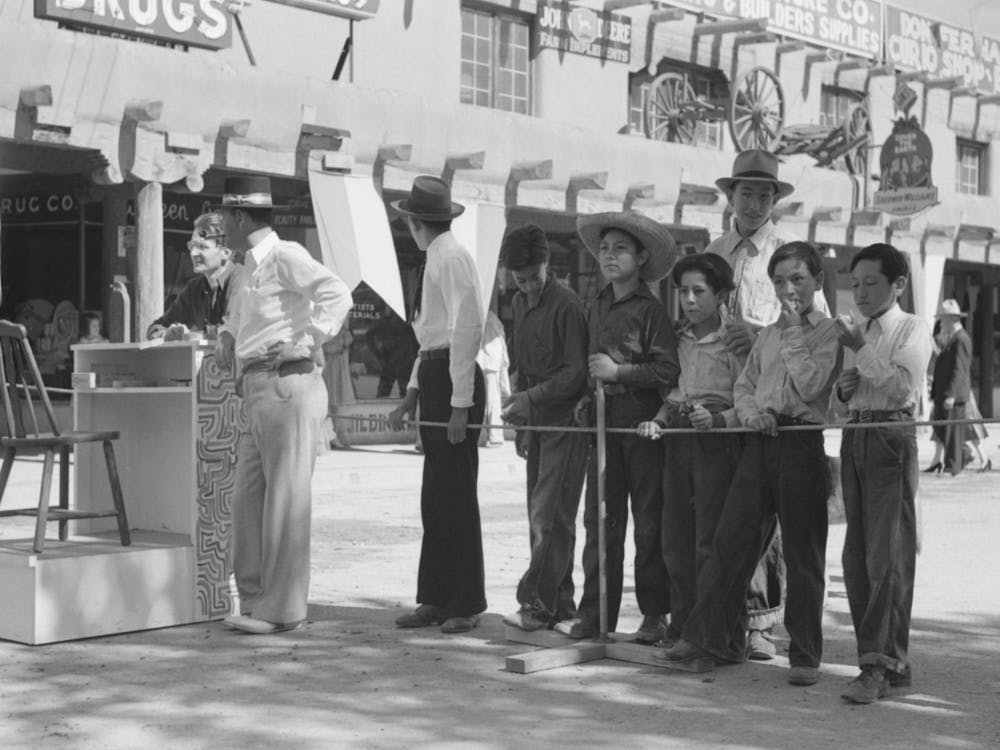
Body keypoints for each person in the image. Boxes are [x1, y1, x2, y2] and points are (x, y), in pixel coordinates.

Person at [663, 241, 840, 689]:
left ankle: (804, 655)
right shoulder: (768, 336)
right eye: (779, 281)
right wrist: (752, 412)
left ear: (818, 281)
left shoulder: (828, 332)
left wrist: (796, 327)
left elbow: (811, 383)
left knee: (804, 555)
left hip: (801, 443)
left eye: (798, 279)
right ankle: (705, 637)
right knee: (730, 541)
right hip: (760, 440)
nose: (788, 290)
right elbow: (745, 384)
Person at [214, 175, 353, 635]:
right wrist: (228, 336)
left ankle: (283, 608)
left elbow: (337, 292)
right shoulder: (247, 267)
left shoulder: (284, 255)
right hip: (257, 388)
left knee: (285, 501)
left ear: (238, 216)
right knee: (248, 499)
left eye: (224, 218)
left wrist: (307, 339)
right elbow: (241, 315)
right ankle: (255, 598)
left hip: (286, 385)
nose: (220, 227)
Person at [706, 149, 831, 660]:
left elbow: (808, 330)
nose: (754, 202)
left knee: (782, 529)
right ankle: (722, 629)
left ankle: (762, 623)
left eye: (764, 194)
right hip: (725, 399)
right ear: (730, 196)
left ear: (775, 200)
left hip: (782, 405)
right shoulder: (715, 250)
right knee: (728, 522)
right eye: (745, 192)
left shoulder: (789, 254)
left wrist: (760, 337)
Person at [555, 210, 679, 644]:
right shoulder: (597, 305)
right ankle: (596, 614)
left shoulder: (652, 310)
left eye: (620, 249)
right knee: (600, 521)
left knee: (648, 524)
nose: (609, 256)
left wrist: (618, 372)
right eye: (604, 249)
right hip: (603, 429)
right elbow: (593, 367)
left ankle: (653, 615)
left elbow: (668, 370)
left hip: (642, 430)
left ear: (641, 257)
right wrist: (589, 397)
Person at [832, 242, 933, 704]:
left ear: (898, 284)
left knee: (887, 554)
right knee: (857, 556)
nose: (862, 293)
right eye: (855, 285)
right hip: (855, 436)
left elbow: (898, 389)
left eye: (871, 283)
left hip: (892, 438)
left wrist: (860, 350)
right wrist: (844, 388)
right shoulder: (859, 332)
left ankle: (876, 665)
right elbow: (848, 401)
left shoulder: (912, 328)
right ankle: (891, 660)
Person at [386, 175, 487, 635]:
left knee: (457, 496)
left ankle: (464, 601)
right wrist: (411, 391)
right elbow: (429, 337)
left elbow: (466, 331)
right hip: (434, 372)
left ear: (415, 223)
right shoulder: (434, 259)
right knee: (436, 497)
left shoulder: (452, 258)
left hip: (453, 378)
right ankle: (437, 596)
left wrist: (461, 404)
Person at [637, 253, 744, 642]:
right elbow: (673, 396)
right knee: (675, 538)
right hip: (678, 440)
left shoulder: (735, 342)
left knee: (710, 539)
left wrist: (719, 420)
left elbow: (748, 398)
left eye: (700, 291)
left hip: (718, 444)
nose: (690, 300)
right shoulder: (677, 338)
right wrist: (659, 421)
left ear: (721, 296)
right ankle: (682, 626)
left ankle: (713, 633)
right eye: (683, 291)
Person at [497, 224, 589, 632]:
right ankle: (561, 605)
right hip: (536, 422)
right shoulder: (518, 303)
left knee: (548, 516)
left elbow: (575, 374)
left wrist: (530, 402)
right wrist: (523, 423)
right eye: (521, 280)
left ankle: (537, 605)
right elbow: (521, 365)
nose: (530, 286)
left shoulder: (567, 303)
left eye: (535, 277)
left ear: (547, 265)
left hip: (566, 423)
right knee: (544, 516)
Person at [147, 212, 244, 341]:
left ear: (225, 253)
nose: (193, 253)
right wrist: (167, 334)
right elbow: (155, 327)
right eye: (192, 246)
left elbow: (233, 331)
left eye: (202, 247)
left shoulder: (241, 280)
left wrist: (192, 336)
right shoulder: (194, 288)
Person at [926, 299, 973, 475]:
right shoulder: (952, 339)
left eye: (943, 319)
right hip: (943, 394)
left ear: (952, 319)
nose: (941, 322)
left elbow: (959, 370)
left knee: (952, 432)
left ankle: (953, 466)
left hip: (953, 395)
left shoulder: (961, 339)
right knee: (944, 430)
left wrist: (951, 394)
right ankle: (962, 457)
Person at [477, 309, 511, 447]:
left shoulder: (477, 318)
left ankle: (481, 437)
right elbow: (501, 343)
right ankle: (495, 436)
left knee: (480, 401)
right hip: (492, 363)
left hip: (480, 362)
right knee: (493, 401)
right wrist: (504, 363)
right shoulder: (495, 320)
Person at [367, 306, 417, 398]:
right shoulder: (383, 317)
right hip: (390, 361)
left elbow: (413, 338)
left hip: (401, 362)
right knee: (384, 393)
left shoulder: (404, 316)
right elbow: (370, 336)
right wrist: (378, 352)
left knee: (404, 393)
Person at [322, 326, 356, 449]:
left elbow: (349, 340)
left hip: (340, 370)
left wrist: (343, 335)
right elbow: (326, 347)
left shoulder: (343, 329)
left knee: (339, 405)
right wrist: (339, 343)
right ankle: (331, 437)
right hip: (329, 369)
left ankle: (338, 435)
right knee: (328, 405)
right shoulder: (325, 328)